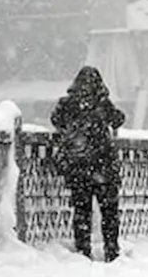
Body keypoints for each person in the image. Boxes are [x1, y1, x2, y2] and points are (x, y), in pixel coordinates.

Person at [50, 66, 126, 262]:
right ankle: (112, 250)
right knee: (109, 212)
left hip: (79, 168)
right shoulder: (102, 104)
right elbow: (118, 119)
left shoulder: (67, 104)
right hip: (103, 166)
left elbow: (56, 120)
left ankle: (83, 251)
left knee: (81, 211)